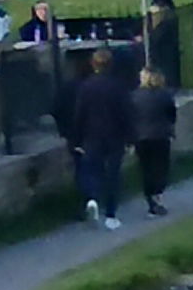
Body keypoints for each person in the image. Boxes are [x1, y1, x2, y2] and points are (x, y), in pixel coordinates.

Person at [57, 44, 139, 230]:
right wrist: (131, 138)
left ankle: (92, 197)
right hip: (115, 136)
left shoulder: (86, 87)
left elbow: (80, 113)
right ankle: (111, 214)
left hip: (92, 135)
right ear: (111, 65)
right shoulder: (118, 87)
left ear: (93, 65)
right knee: (113, 174)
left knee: (90, 169)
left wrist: (75, 139)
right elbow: (127, 113)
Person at [132, 64, 180, 215]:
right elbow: (172, 115)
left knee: (146, 168)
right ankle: (157, 194)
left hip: (141, 136)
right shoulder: (165, 95)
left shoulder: (134, 96)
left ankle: (150, 198)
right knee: (161, 167)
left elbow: (131, 116)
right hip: (160, 135)